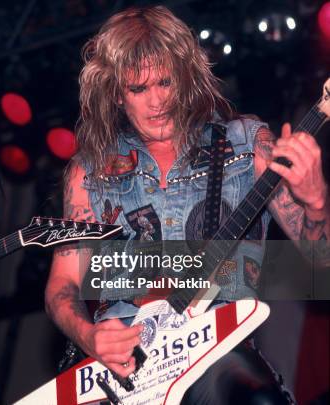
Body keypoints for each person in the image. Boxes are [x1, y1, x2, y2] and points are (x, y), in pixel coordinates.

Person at [45, 5, 328, 404]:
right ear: (115, 94)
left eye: (165, 82)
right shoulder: (88, 173)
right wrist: (88, 334)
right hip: (121, 370)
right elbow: (63, 285)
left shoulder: (248, 145)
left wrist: (316, 201)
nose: (156, 101)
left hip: (217, 353)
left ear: (186, 76)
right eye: (138, 89)